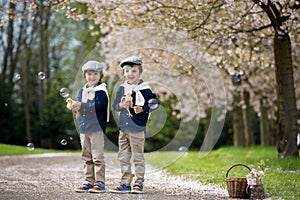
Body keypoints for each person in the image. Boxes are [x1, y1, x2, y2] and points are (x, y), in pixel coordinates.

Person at [109, 56, 157, 194]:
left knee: (137, 156)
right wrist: (121, 105)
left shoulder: (144, 89)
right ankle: (125, 183)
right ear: (124, 73)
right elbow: (115, 106)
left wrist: (143, 109)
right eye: (127, 71)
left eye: (134, 71)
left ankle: (138, 183)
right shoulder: (122, 89)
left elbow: (154, 103)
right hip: (123, 128)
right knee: (123, 156)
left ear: (140, 72)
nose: (130, 74)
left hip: (137, 128)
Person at [71, 61, 109, 193]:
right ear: (84, 75)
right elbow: (82, 108)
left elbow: (98, 107)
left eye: (95, 74)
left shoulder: (101, 91)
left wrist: (82, 106)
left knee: (97, 156)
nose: (92, 77)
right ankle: (89, 181)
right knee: (86, 156)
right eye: (89, 74)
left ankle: (100, 183)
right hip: (84, 127)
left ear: (100, 75)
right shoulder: (82, 91)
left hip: (96, 127)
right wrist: (76, 108)